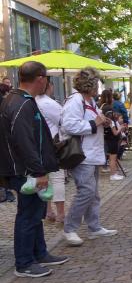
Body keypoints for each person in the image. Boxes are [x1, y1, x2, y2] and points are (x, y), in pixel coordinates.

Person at [0, 61, 67, 277]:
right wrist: (38, 171)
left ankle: (39, 253)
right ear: (40, 78)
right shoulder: (20, 103)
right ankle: (24, 263)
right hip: (25, 170)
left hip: (25, 168)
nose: (47, 82)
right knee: (28, 215)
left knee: (35, 213)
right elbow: (24, 141)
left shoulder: (21, 100)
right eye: (46, 78)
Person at [61, 67, 118, 247]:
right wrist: (95, 123)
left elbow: (91, 122)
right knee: (86, 191)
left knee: (93, 194)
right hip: (82, 155)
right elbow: (69, 125)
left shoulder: (90, 101)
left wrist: (103, 122)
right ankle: (69, 229)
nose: (99, 88)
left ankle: (94, 227)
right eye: (97, 84)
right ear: (89, 85)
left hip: (92, 153)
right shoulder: (75, 101)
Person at [36, 78, 67, 222]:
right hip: (53, 145)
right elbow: (64, 122)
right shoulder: (49, 103)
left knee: (44, 179)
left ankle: (48, 211)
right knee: (58, 179)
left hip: (38, 146)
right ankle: (60, 213)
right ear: (49, 86)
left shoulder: (33, 101)